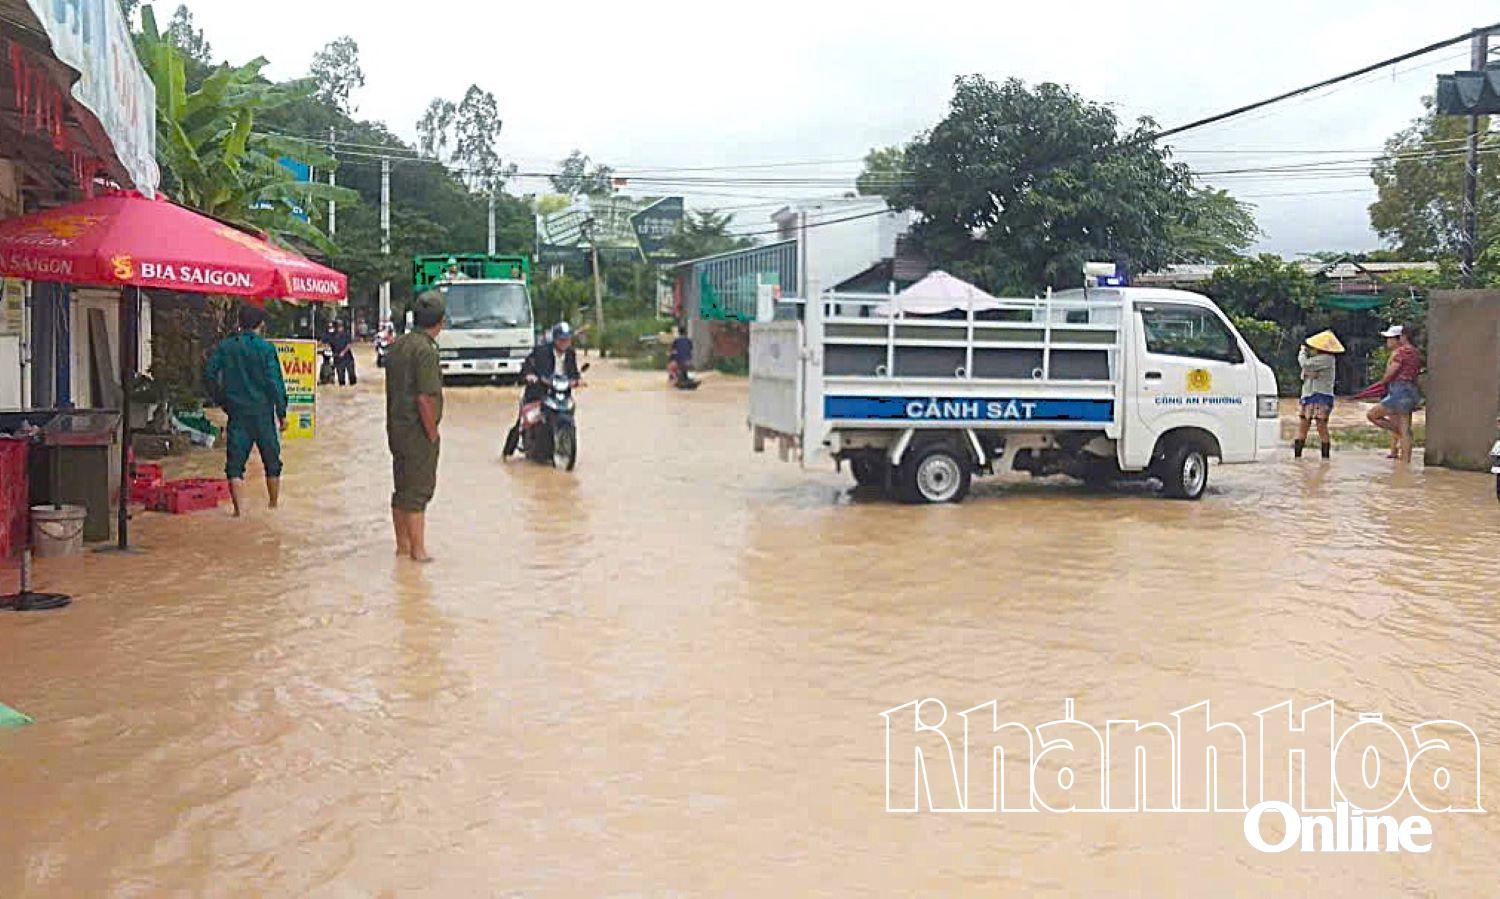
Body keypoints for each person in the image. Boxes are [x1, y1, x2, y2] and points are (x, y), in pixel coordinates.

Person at [204, 303, 288, 517]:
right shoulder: (266, 349)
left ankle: (239, 512)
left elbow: (209, 374)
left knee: (235, 465)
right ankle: (273, 507)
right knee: (272, 461)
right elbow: (274, 382)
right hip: (262, 414)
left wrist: (222, 399)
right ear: (261, 324)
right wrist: (282, 413)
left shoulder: (226, 347)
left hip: (237, 413)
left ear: (239, 322)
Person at [385, 292, 446, 562]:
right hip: (416, 430)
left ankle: (402, 546)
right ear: (441, 322)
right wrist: (432, 433)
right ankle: (418, 552)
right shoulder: (427, 351)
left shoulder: (398, 345)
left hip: (396, 427)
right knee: (418, 492)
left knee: (402, 487)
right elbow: (425, 398)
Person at [504, 321, 581, 457]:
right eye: (562, 339)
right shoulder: (541, 351)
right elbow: (528, 364)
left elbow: (574, 373)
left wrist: (577, 381)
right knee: (524, 421)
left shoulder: (570, 354)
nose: (565, 343)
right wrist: (529, 375)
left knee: (570, 410)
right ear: (555, 339)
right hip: (539, 392)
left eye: (567, 339)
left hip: (561, 394)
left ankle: (563, 440)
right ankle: (512, 448)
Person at [1358, 324, 1423, 463]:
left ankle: (1401, 435)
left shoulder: (1400, 352)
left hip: (1399, 390)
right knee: (1405, 428)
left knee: (1372, 415)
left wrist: (1382, 382)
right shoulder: (1415, 352)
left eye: (1390, 338)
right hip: (1411, 390)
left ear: (1402, 337)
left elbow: (1390, 374)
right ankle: (1405, 463)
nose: (1387, 341)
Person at [1294, 330, 1344, 460]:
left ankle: (1324, 459)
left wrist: (1302, 352)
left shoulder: (1327, 359)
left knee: (1321, 427)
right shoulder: (1318, 360)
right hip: (1309, 396)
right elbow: (1304, 374)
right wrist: (1308, 373)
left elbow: (1304, 365)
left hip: (1320, 397)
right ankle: (1298, 458)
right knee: (1303, 427)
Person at [324, 319, 357, 386]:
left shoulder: (346, 334)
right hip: (338, 359)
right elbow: (324, 343)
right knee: (341, 378)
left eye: (340, 326)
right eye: (338, 326)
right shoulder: (331, 336)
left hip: (348, 358)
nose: (340, 328)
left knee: (352, 376)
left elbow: (349, 345)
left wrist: (343, 352)